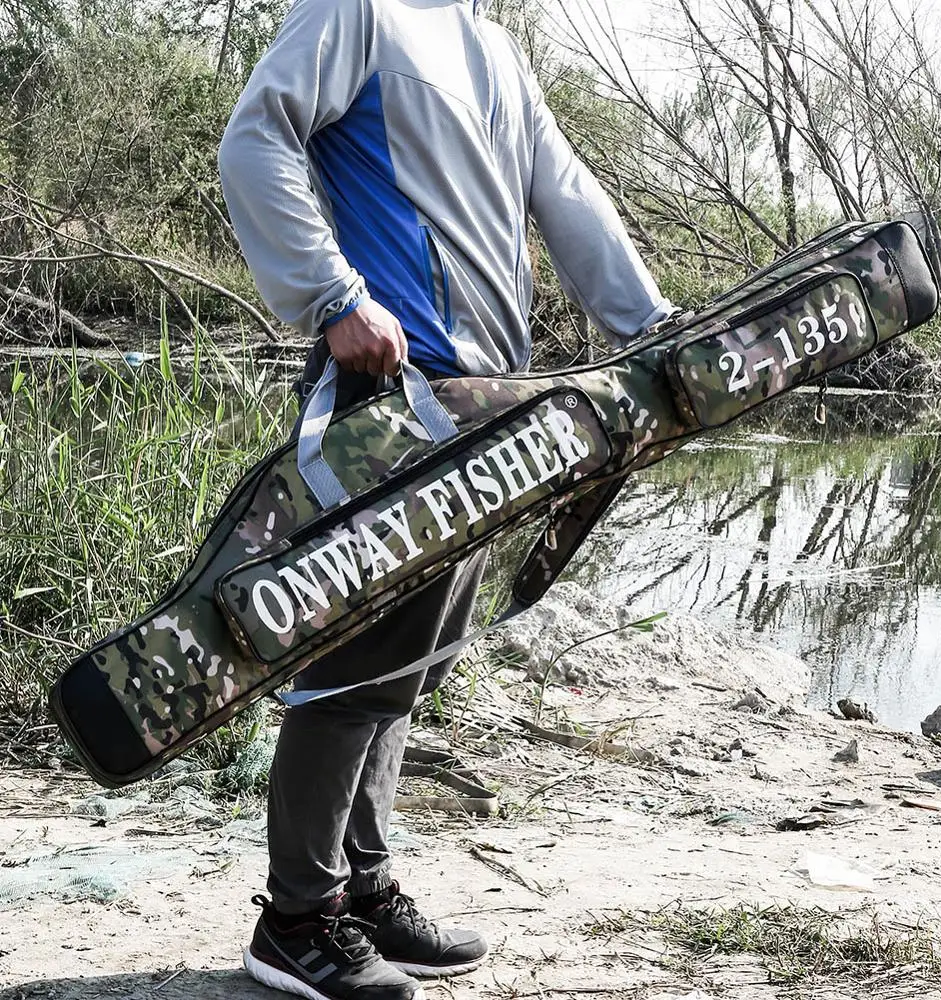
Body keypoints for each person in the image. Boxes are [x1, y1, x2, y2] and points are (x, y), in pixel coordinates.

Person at [218, 0, 674, 997]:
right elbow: (255, 137)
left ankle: (362, 887)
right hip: (390, 393)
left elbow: (570, 198)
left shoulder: (496, 50)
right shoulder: (358, 12)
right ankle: (295, 917)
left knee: (411, 663)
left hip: (484, 407)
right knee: (352, 663)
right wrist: (333, 295)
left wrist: (657, 337)